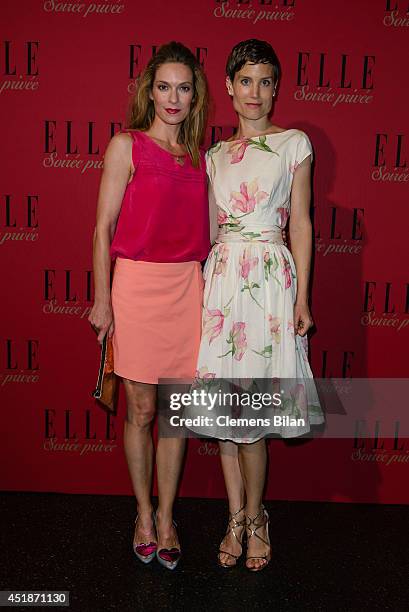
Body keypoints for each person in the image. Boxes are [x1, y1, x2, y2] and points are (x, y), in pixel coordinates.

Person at [193, 39, 324, 571]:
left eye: (265, 81)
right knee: (227, 413)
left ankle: (256, 515)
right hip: (223, 282)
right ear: (228, 86)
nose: (255, 92)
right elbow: (206, 232)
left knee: (256, 415)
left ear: (276, 87)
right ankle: (235, 517)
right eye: (245, 80)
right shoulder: (213, 155)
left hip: (269, 282)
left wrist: (303, 298)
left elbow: (304, 222)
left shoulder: (295, 144)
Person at [88, 41, 209, 570]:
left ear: (195, 94)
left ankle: (167, 517)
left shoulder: (203, 158)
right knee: (139, 410)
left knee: (175, 416)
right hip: (135, 288)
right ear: (149, 91)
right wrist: (101, 301)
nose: (173, 97)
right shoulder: (126, 146)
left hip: (188, 290)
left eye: (184, 87)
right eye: (164, 86)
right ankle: (142, 513)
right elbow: (102, 228)